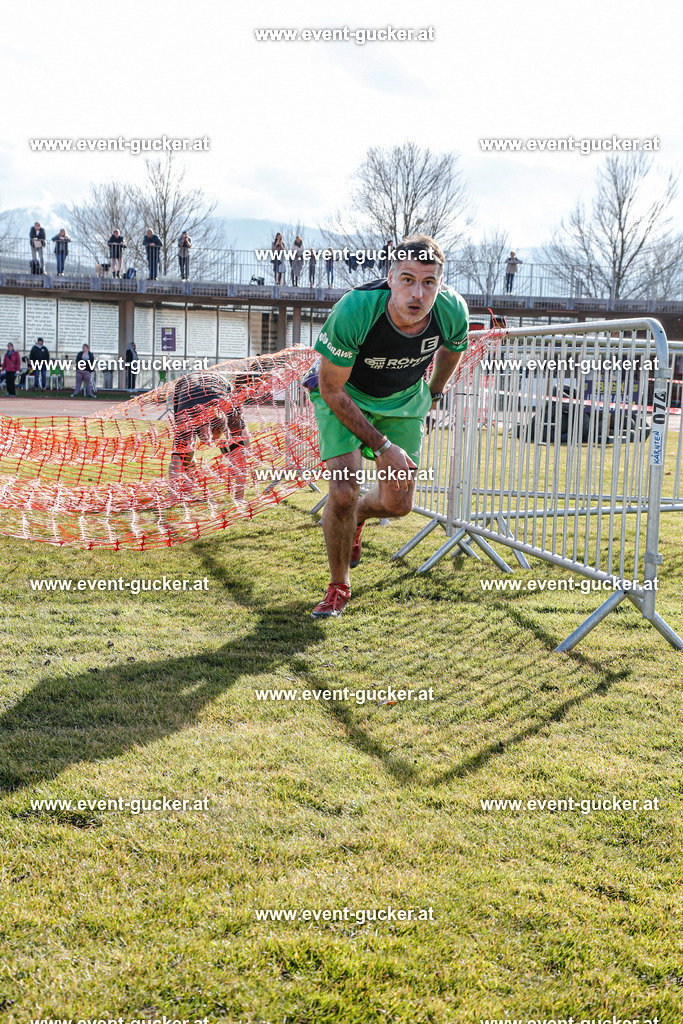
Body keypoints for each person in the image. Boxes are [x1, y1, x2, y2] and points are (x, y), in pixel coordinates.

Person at [306, 234, 469, 618]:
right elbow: (331, 388)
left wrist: (435, 391)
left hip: (404, 399)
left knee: (399, 506)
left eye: (428, 283)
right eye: (408, 279)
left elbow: (453, 349)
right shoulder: (356, 309)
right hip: (344, 394)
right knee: (344, 491)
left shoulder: (452, 311)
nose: (417, 293)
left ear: (440, 285)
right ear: (391, 277)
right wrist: (382, 447)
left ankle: (360, 516)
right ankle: (339, 585)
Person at [169, 370, 250, 500]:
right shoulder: (187, 417)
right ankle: (189, 480)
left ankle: (190, 480)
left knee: (242, 444)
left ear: (224, 428)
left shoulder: (231, 414)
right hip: (187, 387)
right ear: (203, 428)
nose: (211, 443)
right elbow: (176, 458)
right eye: (208, 438)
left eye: (214, 438)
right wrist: (172, 497)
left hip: (220, 382)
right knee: (183, 448)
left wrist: (239, 499)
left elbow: (242, 454)